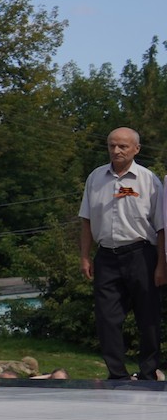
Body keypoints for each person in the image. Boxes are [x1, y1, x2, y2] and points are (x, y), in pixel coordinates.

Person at [77, 127, 162, 380]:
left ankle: (148, 373)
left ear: (136, 149)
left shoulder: (149, 180)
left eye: (123, 146)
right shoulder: (95, 178)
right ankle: (117, 374)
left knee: (148, 317)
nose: (116, 150)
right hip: (106, 256)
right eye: (112, 145)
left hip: (141, 254)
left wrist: (162, 264)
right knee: (107, 317)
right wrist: (84, 256)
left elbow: (162, 226)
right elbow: (86, 220)